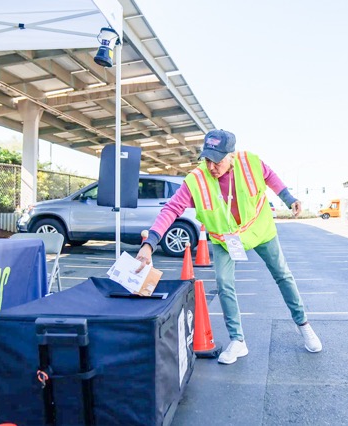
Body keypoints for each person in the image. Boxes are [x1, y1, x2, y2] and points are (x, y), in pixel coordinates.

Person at [135, 129, 322, 365]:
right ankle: (238, 341)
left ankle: (303, 324)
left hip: (260, 231)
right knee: (224, 283)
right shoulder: (196, 179)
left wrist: (289, 199)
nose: (212, 166)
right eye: (207, 159)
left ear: (231, 155)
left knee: (283, 275)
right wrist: (150, 243)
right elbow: (171, 209)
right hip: (226, 239)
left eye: (218, 159)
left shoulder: (251, 163)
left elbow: (271, 177)